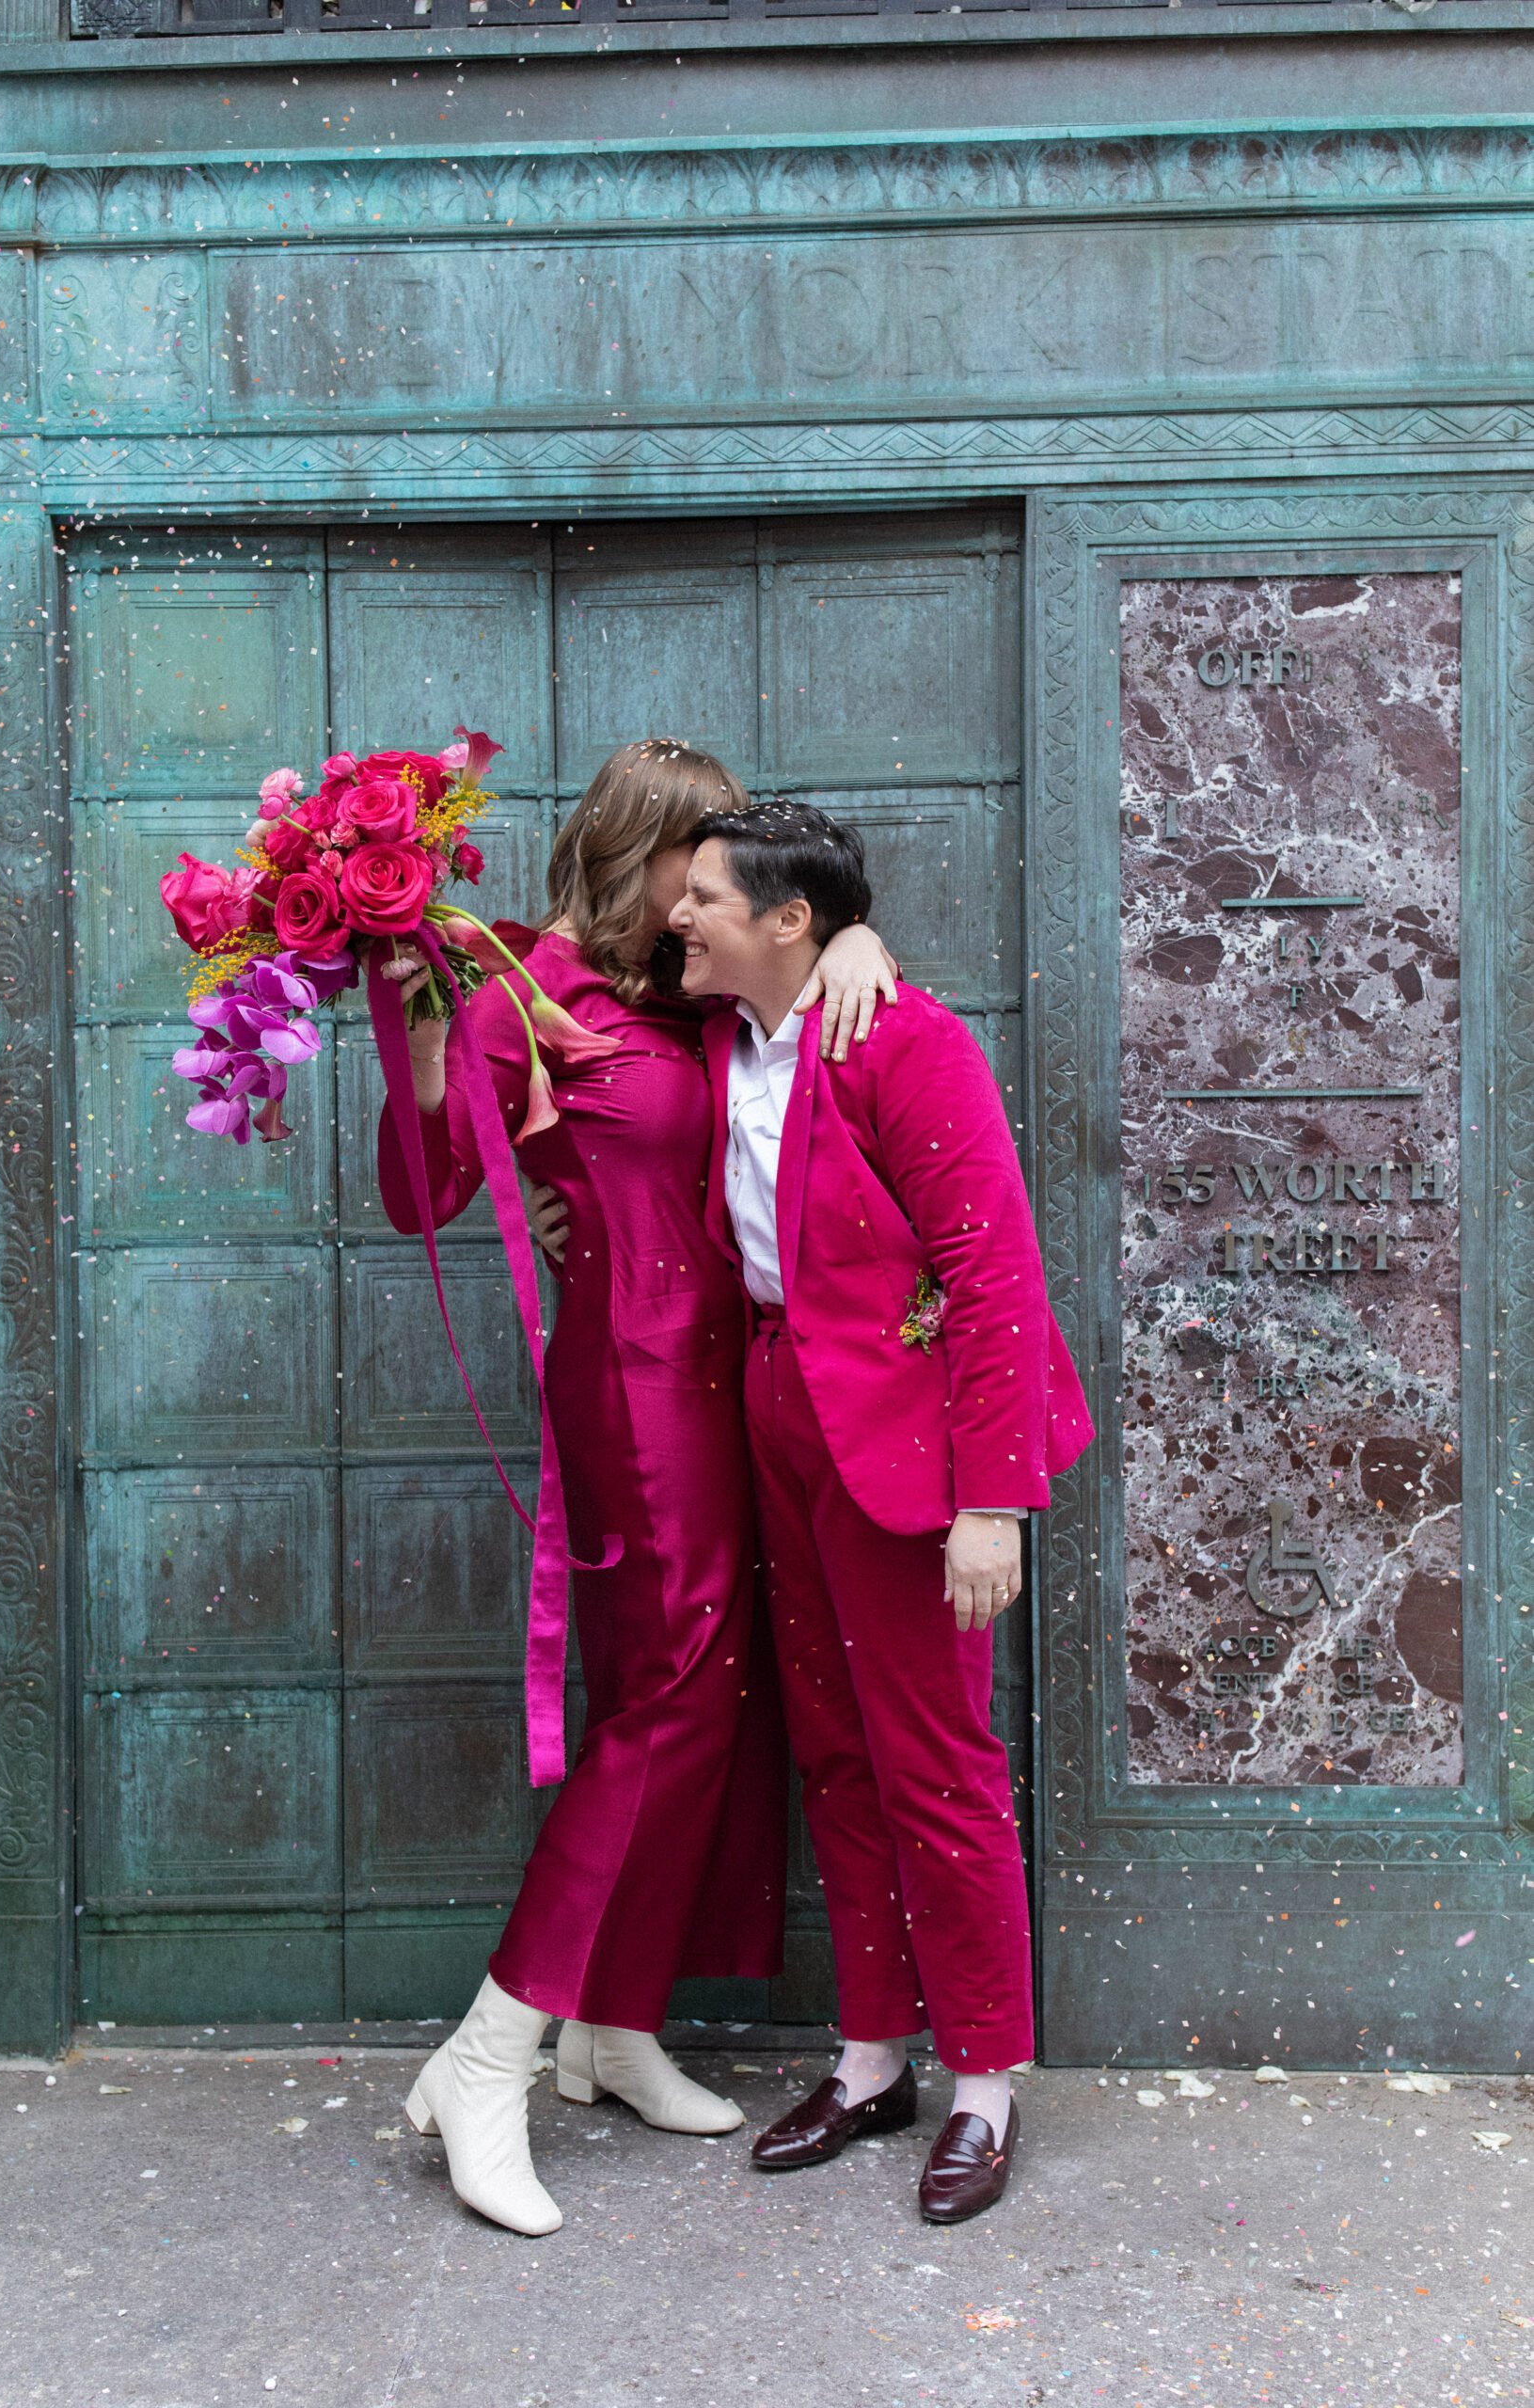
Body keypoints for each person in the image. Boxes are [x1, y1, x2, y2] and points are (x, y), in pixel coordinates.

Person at [372, 741, 899, 2239]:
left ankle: (613, 2028)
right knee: (671, 1695)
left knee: (699, 1698)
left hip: (743, 1382)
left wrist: (854, 928)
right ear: (643, 858)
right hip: (633, 1386)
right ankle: (490, 2054)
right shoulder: (512, 996)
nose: (718, 891)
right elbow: (423, 1199)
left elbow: (805, 953)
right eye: (704, 861)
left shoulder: (707, 992)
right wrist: (422, 1060)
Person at [670, 799, 1094, 2226]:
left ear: (787, 921)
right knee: (837, 1757)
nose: (681, 916)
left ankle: (984, 2081)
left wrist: (994, 1503)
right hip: (783, 1416)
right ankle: (872, 2061)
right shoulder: (721, 1030)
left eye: (706, 898)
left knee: (938, 1766)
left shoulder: (910, 1042)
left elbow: (995, 1278)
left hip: (913, 1449)